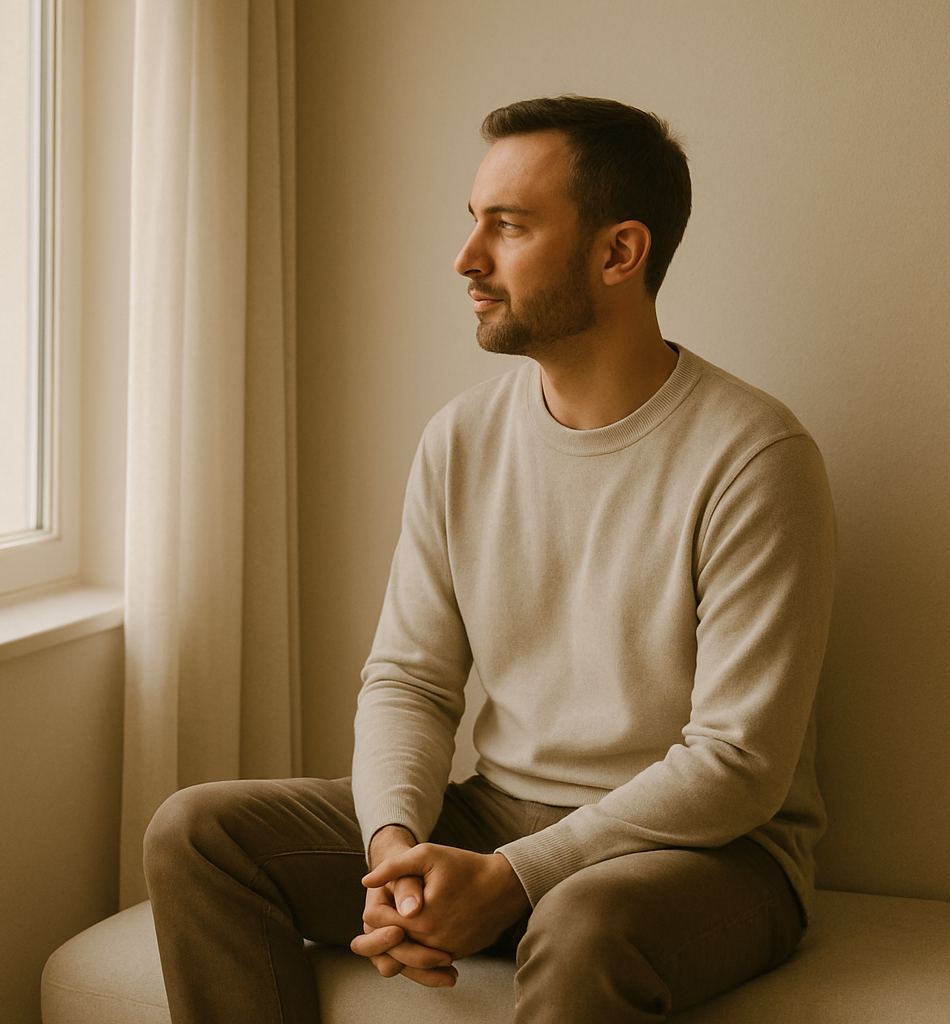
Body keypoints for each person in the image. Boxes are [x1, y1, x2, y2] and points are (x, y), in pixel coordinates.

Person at [143, 96, 836, 1024]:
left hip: (707, 854)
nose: (467, 258)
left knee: (583, 921)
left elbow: (738, 761)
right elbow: (410, 680)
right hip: (499, 810)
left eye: (507, 226)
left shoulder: (754, 456)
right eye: (474, 220)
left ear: (619, 253)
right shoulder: (460, 439)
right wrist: (395, 851)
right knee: (197, 832)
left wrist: (513, 878)